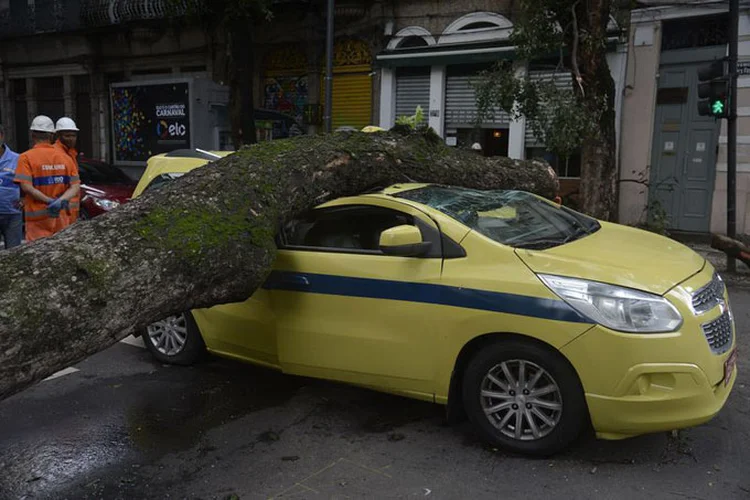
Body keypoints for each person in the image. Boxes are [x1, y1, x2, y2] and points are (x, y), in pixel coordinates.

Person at [14, 115, 80, 242]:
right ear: (52, 136)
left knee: (38, 256)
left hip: (37, 222)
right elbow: (75, 186)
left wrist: (49, 201)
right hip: (61, 218)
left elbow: (27, 187)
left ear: (32, 135)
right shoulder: (66, 157)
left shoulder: (25, 157)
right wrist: (60, 201)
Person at [53, 117, 80, 223]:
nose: (71, 139)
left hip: (71, 211)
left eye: (73, 135)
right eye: (67, 136)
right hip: (62, 210)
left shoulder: (71, 153)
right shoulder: (56, 153)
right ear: (58, 136)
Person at [0, 123, 22, 249]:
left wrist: (24, 199)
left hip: (12, 215)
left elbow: (27, 183)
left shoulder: (17, 159)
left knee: (14, 253)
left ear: (1, 136)